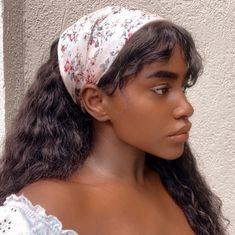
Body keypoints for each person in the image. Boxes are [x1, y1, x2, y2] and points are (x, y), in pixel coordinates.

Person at [0, 6, 228, 235]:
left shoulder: (180, 191)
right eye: (161, 89)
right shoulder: (40, 214)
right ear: (96, 101)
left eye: (183, 88)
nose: (186, 108)